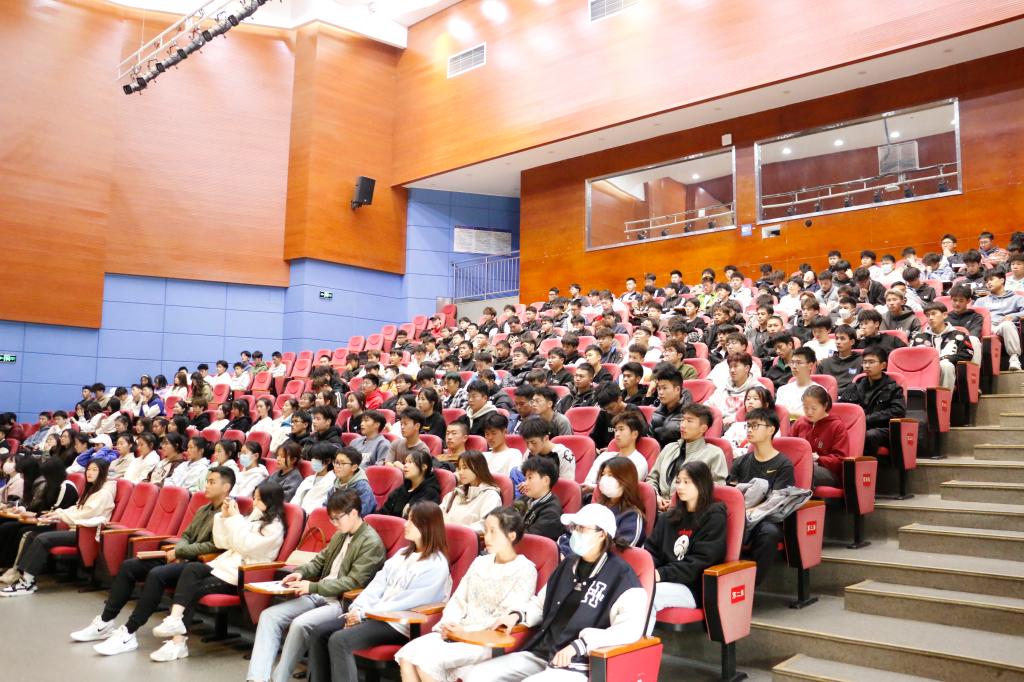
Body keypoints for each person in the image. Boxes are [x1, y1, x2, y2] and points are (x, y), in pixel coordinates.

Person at [462, 504, 647, 682]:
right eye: (574, 527)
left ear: (602, 534)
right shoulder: (568, 565)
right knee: (477, 675)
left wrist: (581, 645)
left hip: (578, 663)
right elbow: (541, 604)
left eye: (582, 529)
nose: (575, 533)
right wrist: (517, 616)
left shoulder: (622, 578)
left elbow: (629, 630)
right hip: (543, 651)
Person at [81, 467, 237, 654]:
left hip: (200, 565)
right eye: (207, 481)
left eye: (212, 482)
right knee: (130, 566)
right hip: (182, 556)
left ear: (226, 487)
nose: (207, 485)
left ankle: (129, 632)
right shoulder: (204, 509)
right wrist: (180, 551)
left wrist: (181, 552)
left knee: (157, 574)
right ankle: (105, 622)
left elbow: (216, 546)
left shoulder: (230, 513)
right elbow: (186, 535)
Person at [246, 489, 386, 682]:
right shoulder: (340, 534)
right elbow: (319, 561)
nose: (334, 523)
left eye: (337, 518)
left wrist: (313, 587)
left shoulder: (371, 542)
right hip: (320, 593)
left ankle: (279, 679)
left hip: (340, 602)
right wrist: (301, 572)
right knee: (269, 616)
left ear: (354, 513)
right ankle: (256, 678)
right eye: (331, 519)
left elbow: (353, 582)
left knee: (300, 624)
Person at [306, 502, 452, 682]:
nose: (405, 524)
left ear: (426, 526)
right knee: (319, 632)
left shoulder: (436, 565)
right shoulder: (402, 554)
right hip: (373, 615)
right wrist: (357, 609)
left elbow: (406, 603)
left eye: (411, 521)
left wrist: (364, 614)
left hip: (398, 623)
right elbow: (377, 584)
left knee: (340, 640)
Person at [146, 480, 286, 662]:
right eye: (254, 498)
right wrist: (224, 517)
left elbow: (246, 546)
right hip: (225, 568)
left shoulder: (274, 527)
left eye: (259, 499)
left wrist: (234, 519)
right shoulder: (253, 518)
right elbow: (222, 543)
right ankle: (175, 622)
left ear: (271, 501)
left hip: (242, 576)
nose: (254, 502)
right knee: (192, 569)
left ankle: (177, 642)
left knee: (192, 589)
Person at [396, 507, 538, 682]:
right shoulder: (480, 562)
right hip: (457, 631)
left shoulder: (525, 569)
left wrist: (465, 632)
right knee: (407, 655)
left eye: (493, 531)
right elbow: (459, 599)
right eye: (485, 531)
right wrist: (450, 624)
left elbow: (506, 617)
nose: (487, 537)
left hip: (485, 638)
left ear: (511, 536)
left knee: (426, 662)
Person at [0, 459, 115, 596]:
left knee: (43, 538)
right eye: (88, 469)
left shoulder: (104, 493)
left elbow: (86, 514)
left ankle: (27, 583)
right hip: (75, 528)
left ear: (103, 472)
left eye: (94, 470)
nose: (89, 473)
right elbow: (77, 508)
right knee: (31, 535)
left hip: (86, 532)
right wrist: (57, 513)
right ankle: (23, 576)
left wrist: (60, 515)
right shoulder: (92, 489)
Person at [645, 460, 727, 627]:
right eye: (678, 481)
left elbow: (701, 562)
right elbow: (651, 551)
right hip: (663, 579)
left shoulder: (714, 516)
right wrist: (647, 571)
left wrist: (661, 574)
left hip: (692, 586)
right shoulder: (668, 518)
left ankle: (637, 642)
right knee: (629, 590)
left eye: (686, 482)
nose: (680, 487)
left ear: (701, 484)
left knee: (646, 595)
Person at [728, 407, 795, 585]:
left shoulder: (783, 464)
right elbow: (731, 493)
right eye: (748, 426)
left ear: (771, 430)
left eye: (755, 426)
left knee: (768, 532)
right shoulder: (741, 461)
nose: (749, 430)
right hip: (740, 514)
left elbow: (777, 501)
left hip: (766, 517)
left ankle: (751, 585)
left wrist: (750, 511)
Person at [647, 403, 728, 510]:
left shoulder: (714, 453)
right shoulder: (669, 448)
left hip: (689, 511)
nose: (682, 425)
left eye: (689, 421)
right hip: (657, 507)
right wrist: (656, 497)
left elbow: (716, 488)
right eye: (682, 420)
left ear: (703, 428)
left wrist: (677, 501)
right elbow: (652, 479)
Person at [565, 456, 646, 555]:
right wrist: (564, 552)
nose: (605, 479)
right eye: (603, 474)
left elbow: (622, 549)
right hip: (575, 556)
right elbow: (571, 532)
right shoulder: (596, 507)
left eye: (610, 475)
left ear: (625, 480)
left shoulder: (632, 515)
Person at [838, 346, 907, 456]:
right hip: (857, 426)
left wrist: (867, 418)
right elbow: (841, 407)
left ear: (883, 365)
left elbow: (897, 411)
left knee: (869, 435)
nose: (867, 365)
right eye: (865, 362)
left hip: (882, 428)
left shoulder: (893, 388)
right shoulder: (855, 386)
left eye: (871, 362)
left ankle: (867, 465)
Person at [791, 386, 850, 488]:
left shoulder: (836, 426)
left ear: (825, 405)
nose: (809, 412)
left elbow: (840, 460)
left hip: (829, 472)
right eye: (805, 407)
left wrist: (819, 458)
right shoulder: (800, 423)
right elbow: (789, 446)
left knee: (804, 470)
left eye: (814, 408)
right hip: (803, 466)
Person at [582, 411, 649, 497]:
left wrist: (593, 488)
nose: (617, 434)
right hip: (592, 498)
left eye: (621, 429)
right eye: (616, 430)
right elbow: (589, 481)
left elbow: (624, 488)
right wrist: (589, 487)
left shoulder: (639, 462)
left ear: (634, 434)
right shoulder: (605, 456)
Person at [910, 302, 974, 389]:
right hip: (924, 372)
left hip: (952, 372)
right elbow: (911, 358)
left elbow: (967, 354)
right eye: (927, 315)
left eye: (933, 314)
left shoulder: (959, 335)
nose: (930, 318)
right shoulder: (918, 338)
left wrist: (947, 358)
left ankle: (945, 396)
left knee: (945, 365)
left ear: (944, 315)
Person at [441, 451, 503, 533]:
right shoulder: (455, 493)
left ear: (478, 468)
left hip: (467, 539)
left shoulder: (491, 496)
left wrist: (457, 531)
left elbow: (486, 525)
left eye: (465, 468)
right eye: (459, 468)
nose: (460, 472)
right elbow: (438, 514)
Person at [975, 268, 1024, 371]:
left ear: (1002, 280)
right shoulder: (981, 301)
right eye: (987, 281)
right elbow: (973, 315)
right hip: (987, 327)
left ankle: (1014, 358)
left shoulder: (1016, 298)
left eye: (991, 279)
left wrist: (1014, 315)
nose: (988, 283)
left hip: (1004, 325)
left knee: (1007, 324)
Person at [515, 455, 564, 541]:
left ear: (546, 481)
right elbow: (507, 518)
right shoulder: (523, 499)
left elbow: (530, 540)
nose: (525, 483)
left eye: (530, 478)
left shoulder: (552, 513)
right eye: (526, 478)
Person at [381, 450, 442, 518]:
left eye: (410, 462)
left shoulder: (430, 493)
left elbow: (419, 520)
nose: (405, 465)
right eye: (405, 462)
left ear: (423, 467)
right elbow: (383, 511)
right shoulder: (403, 488)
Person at [707, 352, 762, 426]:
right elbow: (709, 405)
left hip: (743, 426)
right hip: (718, 424)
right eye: (730, 367)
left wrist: (734, 419)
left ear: (747, 368)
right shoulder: (723, 387)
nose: (732, 370)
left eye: (736, 366)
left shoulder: (759, 390)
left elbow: (758, 414)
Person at [519, 417, 576, 483]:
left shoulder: (563, 454)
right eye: (527, 443)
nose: (530, 447)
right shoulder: (529, 452)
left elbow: (567, 484)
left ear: (545, 438)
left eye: (533, 442)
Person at [722, 385, 775, 453]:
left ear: (766, 405)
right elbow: (723, 443)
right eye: (748, 399)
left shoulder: (770, 428)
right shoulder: (737, 426)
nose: (750, 402)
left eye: (755, 399)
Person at [774, 347, 822, 419]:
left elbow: (815, 417)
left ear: (810, 365)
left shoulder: (819, 391)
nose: (794, 366)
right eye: (792, 362)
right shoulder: (782, 390)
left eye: (798, 363)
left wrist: (788, 413)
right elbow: (779, 415)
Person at [293, 442, 339, 514]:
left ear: (328, 461)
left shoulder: (333, 482)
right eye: (313, 458)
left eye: (317, 458)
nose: (313, 461)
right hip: (298, 515)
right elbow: (295, 500)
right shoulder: (308, 479)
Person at [331, 447, 377, 516]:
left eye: (342, 463)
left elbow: (361, 514)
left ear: (354, 467)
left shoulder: (363, 488)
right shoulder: (336, 484)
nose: (337, 466)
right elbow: (326, 507)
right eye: (336, 462)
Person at [818, 324, 862, 393]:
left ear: (852, 342)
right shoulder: (825, 363)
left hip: (850, 396)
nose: (838, 342)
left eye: (842, 339)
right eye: (836, 338)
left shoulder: (861, 361)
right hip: (826, 396)